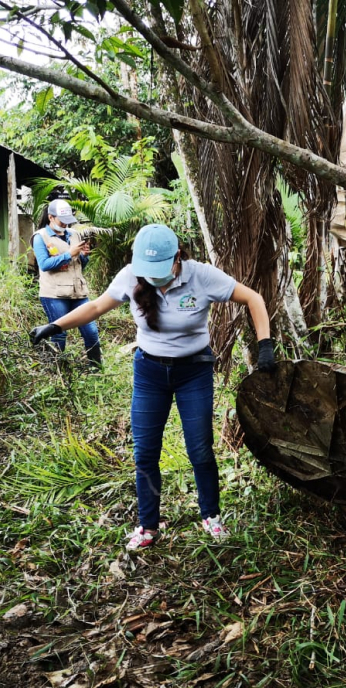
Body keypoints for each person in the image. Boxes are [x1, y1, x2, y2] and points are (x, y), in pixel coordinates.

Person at [29, 224, 276, 549]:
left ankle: (211, 517)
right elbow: (96, 306)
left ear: (177, 257)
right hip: (149, 373)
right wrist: (53, 325)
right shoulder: (132, 275)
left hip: (194, 371)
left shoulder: (201, 275)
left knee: (200, 450)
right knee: (145, 452)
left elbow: (253, 298)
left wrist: (265, 345)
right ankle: (148, 526)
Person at [32, 198, 102, 370]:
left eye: (68, 221)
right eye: (62, 221)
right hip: (54, 294)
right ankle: (57, 372)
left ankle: (96, 369)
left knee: (91, 331)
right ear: (51, 217)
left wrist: (84, 256)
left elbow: (79, 266)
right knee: (59, 334)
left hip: (78, 292)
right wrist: (69, 254)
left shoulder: (74, 234)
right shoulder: (40, 237)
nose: (65, 224)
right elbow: (44, 265)